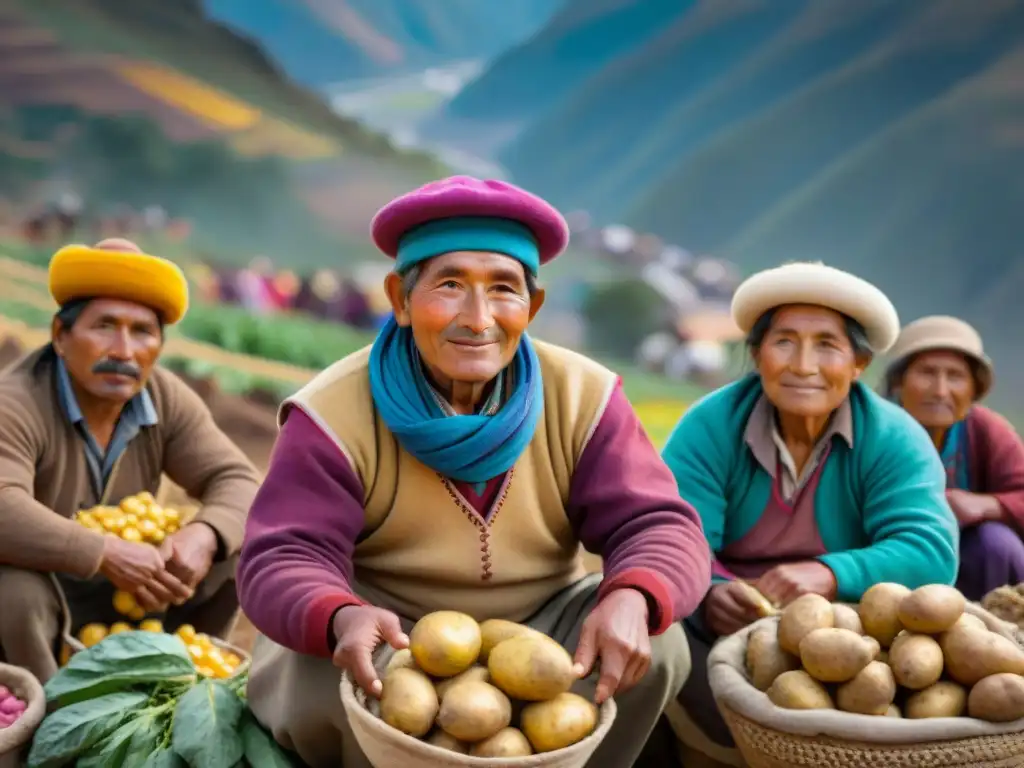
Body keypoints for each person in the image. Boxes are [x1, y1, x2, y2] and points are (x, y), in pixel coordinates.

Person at [237, 176, 712, 768]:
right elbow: (282, 556)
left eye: (505, 289)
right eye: (451, 285)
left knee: (659, 643)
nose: (478, 317)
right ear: (401, 301)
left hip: (543, 629)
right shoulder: (332, 412)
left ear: (532, 307)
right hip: (391, 634)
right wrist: (340, 615)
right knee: (325, 666)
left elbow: (660, 524)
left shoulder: (585, 398)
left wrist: (635, 595)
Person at [660, 262, 959, 766]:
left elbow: (931, 552)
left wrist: (828, 574)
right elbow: (674, 538)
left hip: (855, 635)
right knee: (660, 632)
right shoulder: (709, 427)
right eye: (784, 342)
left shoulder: (892, 436)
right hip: (722, 634)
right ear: (756, 354)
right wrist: (710, 591)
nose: (802, 364)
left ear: (859, 363)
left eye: (827, 344)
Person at [0, 238, 261, 682]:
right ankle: (46, 721)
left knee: (233, 555)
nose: (123, 351)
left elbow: (237, 479)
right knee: (16, 590)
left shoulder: (164, 396)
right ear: (61, 336)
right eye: (104, 326)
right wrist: (103, 551)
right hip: (41, 588)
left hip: (128, 592)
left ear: (159, 344)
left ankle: (179, 681)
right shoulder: (16, 402)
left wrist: (203, 536)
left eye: (142, 331)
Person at [882, 315, 1024, 601]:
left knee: (997, 544)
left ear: (974, 389)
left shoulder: (985, 431)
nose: (940, 390)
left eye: (955, 376)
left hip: (968, 565)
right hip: (886, 556)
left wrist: (988, 505)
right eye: (927, 372)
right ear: (899, 381)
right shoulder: (875, 428)